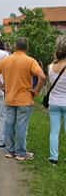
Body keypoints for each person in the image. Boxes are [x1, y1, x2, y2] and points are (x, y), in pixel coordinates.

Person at [0, 37, 46, 161]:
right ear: (27, 48)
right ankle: (21, 152)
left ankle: (10, 151)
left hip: (9, 97)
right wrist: (36, 90)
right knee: (21, 126)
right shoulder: (30, 61)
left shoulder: (6, 60)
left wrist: (1, 86)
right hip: (25, 99)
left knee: (9, 125)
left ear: (15, 47)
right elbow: (42, 76)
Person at [47, 36, 66, 165]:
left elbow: (49, 84)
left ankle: (54, 158)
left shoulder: (50, 66)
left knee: (54, 131)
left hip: (53, 102)